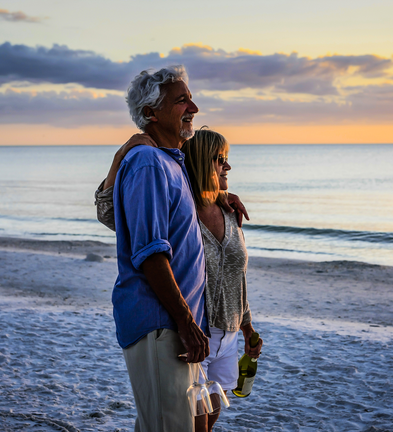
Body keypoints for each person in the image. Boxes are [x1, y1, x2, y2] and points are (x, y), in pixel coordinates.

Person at [96, 127, 263, 432]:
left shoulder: (228, 212)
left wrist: (247, 326)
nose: (227, 166)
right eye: (220, 159)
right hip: (194, 330)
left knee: (205, 419)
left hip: (228, 334)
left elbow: (235, 276)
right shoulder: (180, 211)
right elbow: (112, 213)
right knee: (180, 422)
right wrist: (120, 156)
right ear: (200, 162)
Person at [108, 65, 209, 432]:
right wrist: (185, 321)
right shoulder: (148, 163)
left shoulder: (168, 162)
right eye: (182, 100)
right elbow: (150, 254)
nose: (194, 107)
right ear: (151, 113)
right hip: (162, 325)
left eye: (191, 98)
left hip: (176, 326)